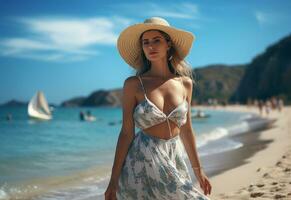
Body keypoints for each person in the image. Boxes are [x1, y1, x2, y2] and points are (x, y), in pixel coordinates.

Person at [105, 17, 212, 199]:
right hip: (141, 160)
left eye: (157, 40)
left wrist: (198, 171)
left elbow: (186, 130)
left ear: (168, 44)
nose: (151, 46)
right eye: (146, 42)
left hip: (174, 157)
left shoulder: (185, 84)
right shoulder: (133, 84)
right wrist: (113, 181)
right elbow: (126, 133)